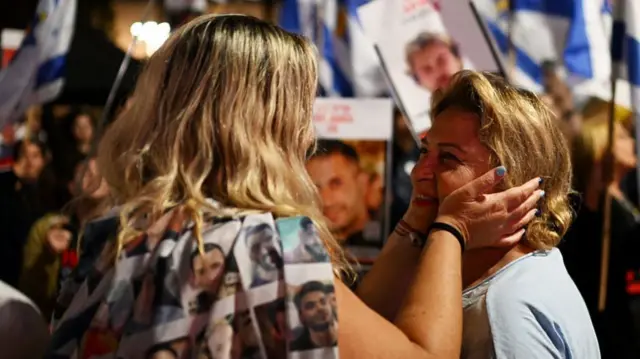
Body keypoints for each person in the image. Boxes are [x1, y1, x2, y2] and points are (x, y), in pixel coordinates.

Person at [47, 15, 543, 359]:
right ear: (260, 123)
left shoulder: (112, 237)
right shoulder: (262, 250)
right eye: (300, 108)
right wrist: (450, 228)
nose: (309, 134)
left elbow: (341, 328)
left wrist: (416, 221)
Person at [396, 70, 598, 358]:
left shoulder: (503, 308)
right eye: (423, 153)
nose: (419, 173)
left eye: (448, 158)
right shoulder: (527, 275)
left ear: (511, 180)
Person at [562, 115, 640, 359]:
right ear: (601, 149)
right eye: (621, 137)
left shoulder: (619, 198)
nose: (631, 142)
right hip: (608, 330)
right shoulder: (595, 203)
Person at [306, 139, 377, 245]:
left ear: (362, 182)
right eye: (315, 188)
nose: (326, 201)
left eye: (336, 183)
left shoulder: (393, 241)